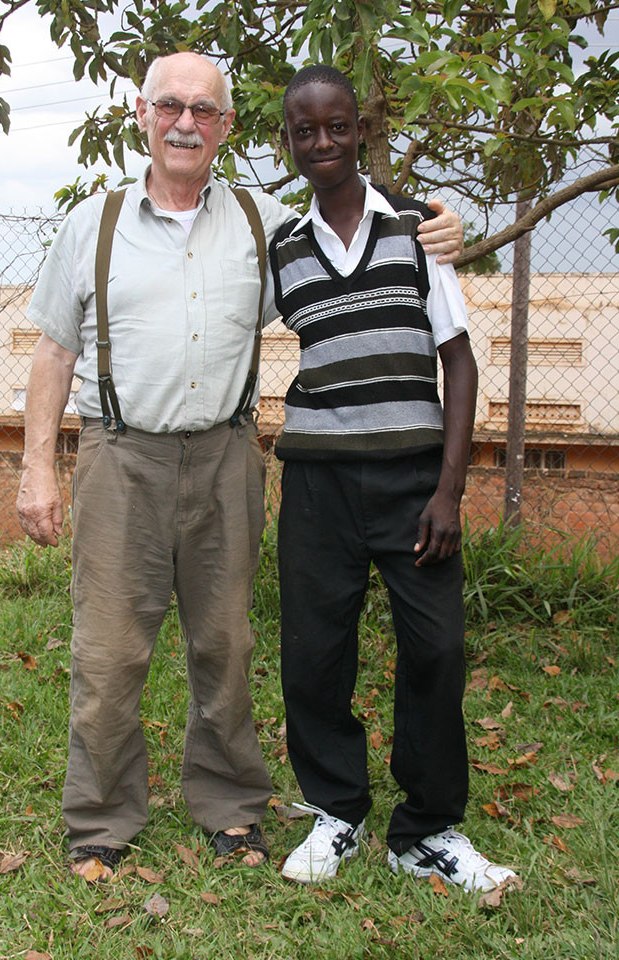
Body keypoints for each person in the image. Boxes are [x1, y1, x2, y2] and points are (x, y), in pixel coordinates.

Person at [16, 51, 464, 881]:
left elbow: (352, 226)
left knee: (224, 644)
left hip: (226, 456)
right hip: (120, 456)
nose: (186, 122)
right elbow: (53, 349)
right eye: (171, 107)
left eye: (206, 111)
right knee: (110, 652)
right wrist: (36, 468)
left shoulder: (263, 225)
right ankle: (103, 818)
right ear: (142, 115)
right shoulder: (94, 221)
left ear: (226, 128)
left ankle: (229, 807)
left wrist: (434, 219)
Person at [271, 65, 517, 893]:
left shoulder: (418, 231)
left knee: (437, 651)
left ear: (360, 131)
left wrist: (448, 491)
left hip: (414, 485)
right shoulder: (285, 250)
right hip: (315, 484)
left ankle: (428, 830)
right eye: (305, 131)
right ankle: (337, 811)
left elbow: (459, 360)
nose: (322, 143)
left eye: (336, 126)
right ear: (290, 142)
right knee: (313, 653)